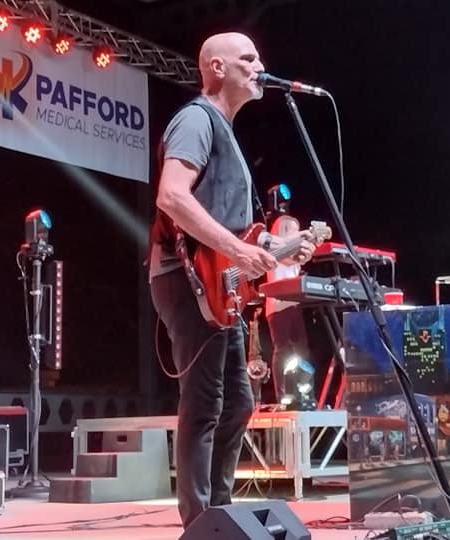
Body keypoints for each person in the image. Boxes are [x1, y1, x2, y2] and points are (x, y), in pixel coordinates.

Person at [147, 32, 314, 528]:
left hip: (218, 283)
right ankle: (200, 522)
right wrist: (239, 248)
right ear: (216, 68)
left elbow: (237, 238)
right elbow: (172, 196)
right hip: (187, 279)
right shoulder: (197, 119)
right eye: (248, 58)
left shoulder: (225, 130)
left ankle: (218, 515)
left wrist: (281, 249)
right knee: (203, 401)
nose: (260, 65)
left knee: (239, 400)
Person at [262, 184, 311, 406]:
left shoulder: (289, 228)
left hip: (293, 300)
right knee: (282, 347)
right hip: (278, 301)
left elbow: (294, 262)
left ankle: (303, 390)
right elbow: (281, 257)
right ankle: (281, 393)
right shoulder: (275, 231)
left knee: (301, 346)